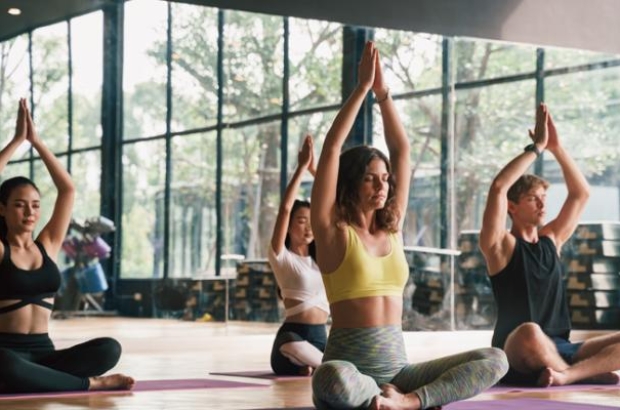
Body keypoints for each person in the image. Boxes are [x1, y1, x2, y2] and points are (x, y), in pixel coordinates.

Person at [310, 41, 508, 410]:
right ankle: (378, 400)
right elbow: (332, 150)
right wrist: (361, 91)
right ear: (351, 182)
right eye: (371, 178)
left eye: (385, 178)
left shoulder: (392, 227)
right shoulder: (333, 232)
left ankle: (407, 402)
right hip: (351, 371)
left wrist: (384, 94)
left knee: (495, 359)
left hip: (400, 373)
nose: (382, 185)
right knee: (330, 379)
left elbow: (402, 151)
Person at [480, 102, 620, 387]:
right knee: (530, 331)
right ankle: (583, 373)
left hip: (561, 347)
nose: (543, 203)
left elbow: (581, 193)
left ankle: (568, 374)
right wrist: (537, 148)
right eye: (533, 198)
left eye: (544, 196)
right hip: (518, 348)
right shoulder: (500, 246)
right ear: (512, 207)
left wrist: (557, 148)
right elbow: (498, 187)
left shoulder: (552, 240)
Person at [0, 98, 134, 393]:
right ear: (2, 209)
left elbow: (68, 189)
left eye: (35, 205)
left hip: (45, 355)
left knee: (108, 348)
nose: (29, 212)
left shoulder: (47, 244)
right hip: (6, 354)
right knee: (5, 364)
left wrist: (36, 141)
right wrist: (16, 141)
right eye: (20, 205)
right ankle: (89, 384)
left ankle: (43, 378)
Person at [267, 134, 330, 376]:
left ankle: (314, 366)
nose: (308, 227)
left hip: (321, 338)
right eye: (301, 221)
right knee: (292, 346)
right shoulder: (281, 256)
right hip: (291, 337)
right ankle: (322, 367)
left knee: (319, 361)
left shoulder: (322, 259)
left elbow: (335, 206)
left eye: (311, 221)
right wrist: (302, 168)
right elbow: (284, 208)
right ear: (290, 225)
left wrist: (316, 170)